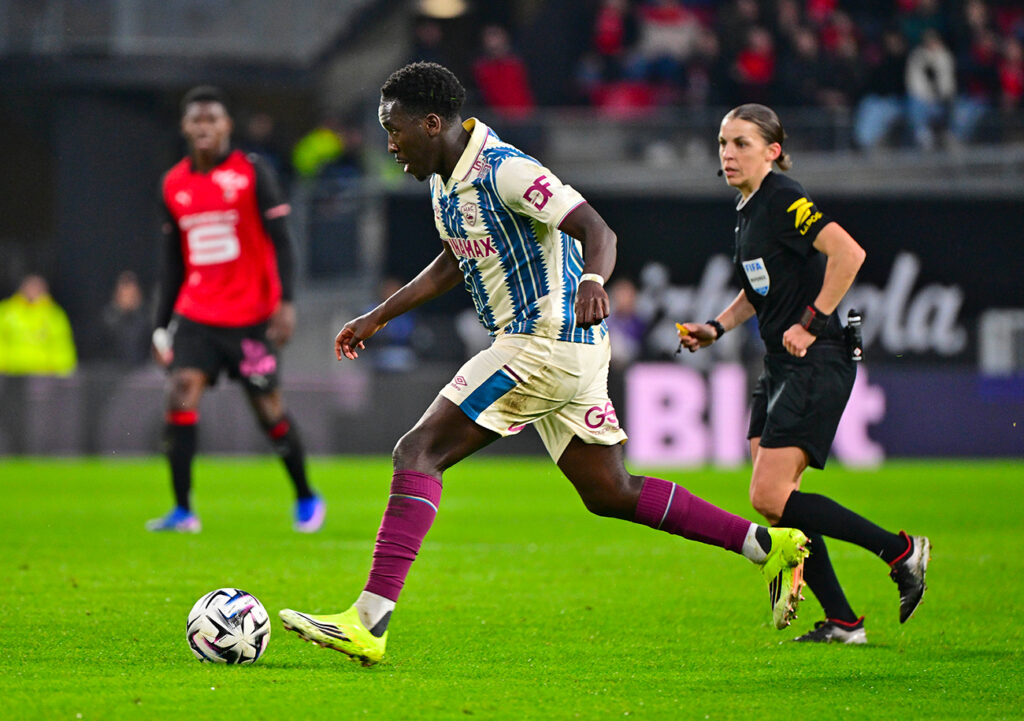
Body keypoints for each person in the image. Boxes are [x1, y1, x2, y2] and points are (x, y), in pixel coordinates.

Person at [279, 62, 811, 666]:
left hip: (542, 338)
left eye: (394, 129)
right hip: (570, 352)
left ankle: (368, 620)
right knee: (610, 491)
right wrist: (379, 314)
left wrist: (591, 279)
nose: (389, 143)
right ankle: (768, 545)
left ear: (432, 123)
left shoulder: (504, 169)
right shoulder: (442, 178)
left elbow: (596, 228)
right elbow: (455, 261)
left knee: (416, 453)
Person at [677, 104, 930, 644]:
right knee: (775, 495)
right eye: (723, 142)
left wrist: (812, 322)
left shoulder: (783, 197)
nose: (727, 153)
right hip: (780, 363)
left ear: (772, 150)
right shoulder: (750, 209)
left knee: (769, 497)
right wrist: (716, 329)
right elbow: (757, 288)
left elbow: (848, 253)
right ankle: (843, 621)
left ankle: (901, 551)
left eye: (742, 143)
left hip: (815, 359)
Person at [147, 86, 325, 534]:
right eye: (196, 120)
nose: (204, 127)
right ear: (185, 127)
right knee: (180, 390)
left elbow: (283, 241)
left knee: (268, 410)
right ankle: (183, 510)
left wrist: (285, 302)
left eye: (213, 119)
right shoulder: (173, 183)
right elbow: (174, 261)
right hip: (197, 313)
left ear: (226, 126)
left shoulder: (252, 173)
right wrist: (159, 326)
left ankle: (305, 496)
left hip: (249, 316)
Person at [0, 273, 77, 376]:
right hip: (11, 371)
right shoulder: (7, 311)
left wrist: (63, 368)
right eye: (30, 287)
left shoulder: (53, 314)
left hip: (43, 373)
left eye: (37, 288)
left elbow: (61, 342)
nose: (33, 291)